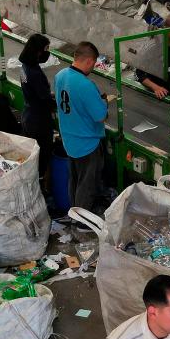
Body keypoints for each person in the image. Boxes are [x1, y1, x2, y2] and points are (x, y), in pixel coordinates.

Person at [54, 41, 107, 211]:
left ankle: (74, 213)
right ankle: (82, 223)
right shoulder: (86, 85)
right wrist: (104, 102)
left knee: (75, 180)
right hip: (87, 142)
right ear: (90, 61)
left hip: (69, 138)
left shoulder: (60, 75)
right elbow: (100, 116)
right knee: (87, 184)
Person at [18, 33, 54, 191]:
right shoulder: (34, 72)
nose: (48, 52)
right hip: (39, 121)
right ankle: (39, 190)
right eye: (46, 49)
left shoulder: (26, 67)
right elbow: (45, 99)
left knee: (32, 155)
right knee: (42, 156)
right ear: (38, 51)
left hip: (29, 116)